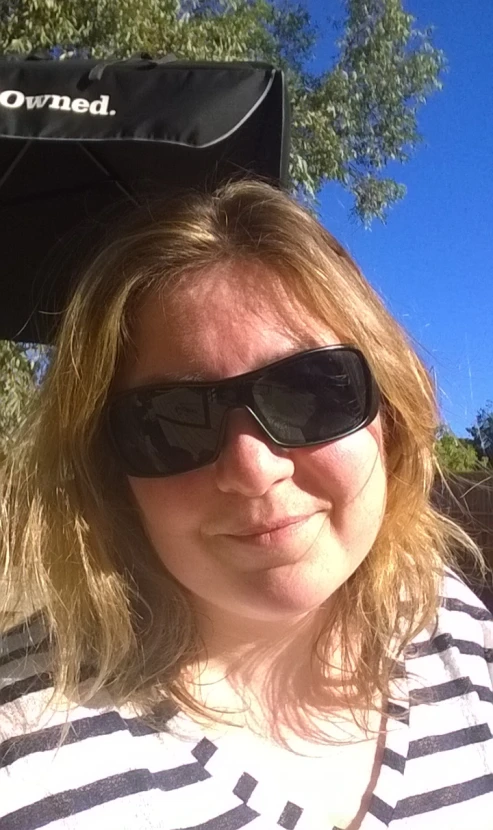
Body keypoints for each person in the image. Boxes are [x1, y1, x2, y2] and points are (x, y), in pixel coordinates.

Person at [1, 179, 492, 830]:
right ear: (109, 469)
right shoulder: (26, 759)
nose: (250, 469)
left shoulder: (446, 621)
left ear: (389, 414)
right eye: (171, 420)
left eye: (309, 390)